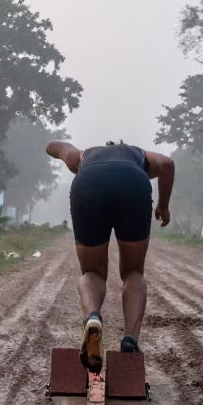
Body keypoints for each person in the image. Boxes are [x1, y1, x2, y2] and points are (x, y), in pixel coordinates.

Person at [46, 139, 175, 374]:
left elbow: (56, 146)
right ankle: (130, 341)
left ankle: (92, 318)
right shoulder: (139, 154)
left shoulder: (83, 156)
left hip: (88, 182)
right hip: (133, 183)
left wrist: (53, 149)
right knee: (133, 271)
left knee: (92, 271)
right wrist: (163, 206)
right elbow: (166, 164)